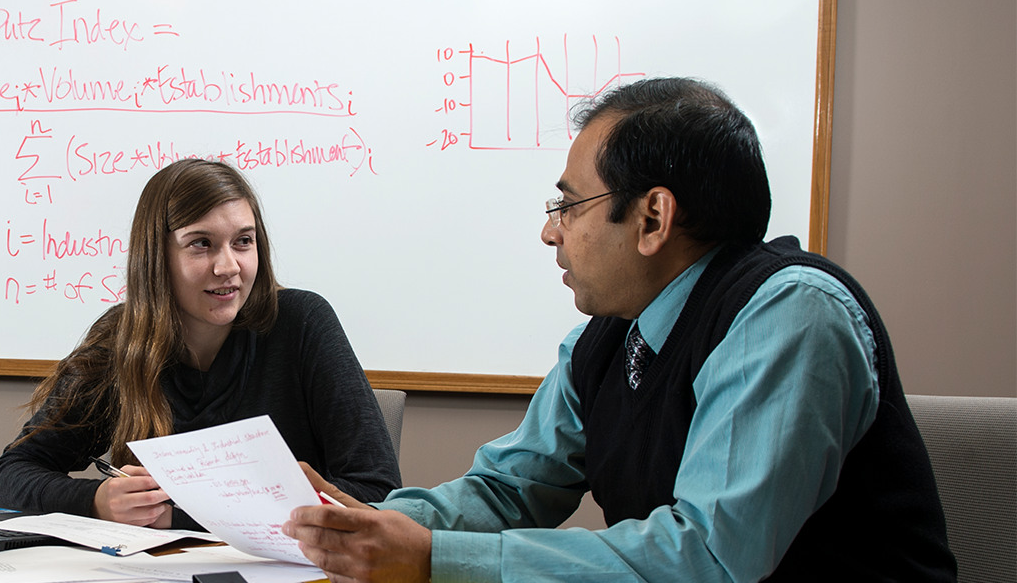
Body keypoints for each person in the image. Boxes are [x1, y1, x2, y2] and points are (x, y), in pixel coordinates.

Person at [282, 78, 957, 582]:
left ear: (653, 218)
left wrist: (435, 558)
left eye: (569, 204)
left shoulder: (789, 314)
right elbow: (510, 489)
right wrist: (368, 526)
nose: (550, 231)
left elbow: (711, 558)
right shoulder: (608, 338)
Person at [0, 159, 401, 530]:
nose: (228, 267)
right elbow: (14, 470)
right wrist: (97, 500)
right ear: (157, 257)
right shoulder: (120, 339)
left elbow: (377, 493)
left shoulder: (303, 322)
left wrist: (175, 516)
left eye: (243, 241)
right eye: (201, 244)